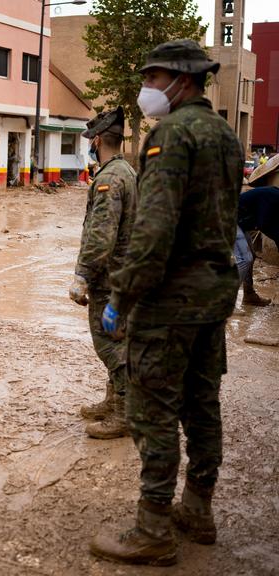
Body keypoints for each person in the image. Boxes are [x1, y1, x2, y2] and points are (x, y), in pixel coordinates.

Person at [91, 39, 243, 566]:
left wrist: (122, 295)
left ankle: (153, 527)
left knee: (152, 409)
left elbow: (154, 232)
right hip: (214, 293)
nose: (146, 90)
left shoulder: (170, 136)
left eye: (152, 79)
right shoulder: (226, 134)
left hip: (170, 300)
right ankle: (198, 509)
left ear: (181, 81)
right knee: (203, 405)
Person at [69, 107, 137, 440]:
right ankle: (114, 403)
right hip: (124, 275)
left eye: (90, 142)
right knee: (116, 339)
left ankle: (124, 414)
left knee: (109, 345)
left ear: (97, 141)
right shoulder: (125, 170)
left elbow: (101, 235)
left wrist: (82, 276)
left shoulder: (109, 178)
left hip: (110, 279)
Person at [237, 186, 279, 306]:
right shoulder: (273, 197)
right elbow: (264, 223)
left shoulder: (275, 195)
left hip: (240, 223)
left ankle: (249, 295)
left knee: (250, 257)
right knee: (245, 259)